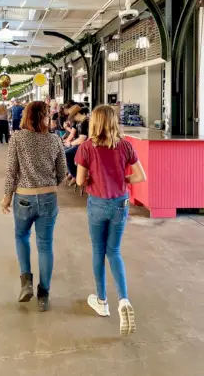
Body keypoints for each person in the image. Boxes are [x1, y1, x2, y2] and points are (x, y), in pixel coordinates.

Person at [75, 105, 146, 336]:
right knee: (114, 251)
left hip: (97, 203)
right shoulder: (125, 146)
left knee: (98, 250)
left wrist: (93, 180)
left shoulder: (86, 148)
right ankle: (124, 300)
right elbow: (140, 176)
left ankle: (102, 301)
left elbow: (79, 181)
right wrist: (121, 177)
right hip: (120, 204)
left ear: (94, 122)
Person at [1, 101, 67, 311]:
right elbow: (62, 172)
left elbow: (11, 171)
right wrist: (49, 185)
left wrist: (6, 197)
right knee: (45, 245)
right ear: (43, 117)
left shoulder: (17, 138)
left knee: (21, 236)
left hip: (23, 198)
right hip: (48, 197)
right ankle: (43, 294)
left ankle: (26, 282)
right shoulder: (55, 140)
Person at [65, 105, 90, 185]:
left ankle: (75, 175)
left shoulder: (86, 122)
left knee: (66, 154)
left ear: (77, 114)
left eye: (73, 117)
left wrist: (70, 143)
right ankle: (72, 173)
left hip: (85, 147)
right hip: (81, 146)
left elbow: (82, 139)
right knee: (64, 151)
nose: (73, 119)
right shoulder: (81, 122)